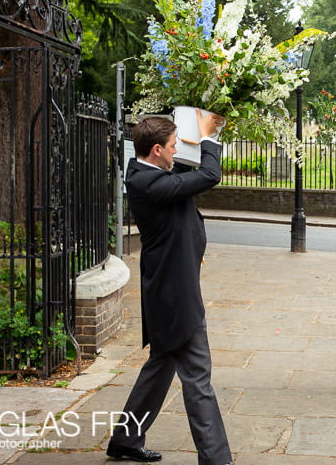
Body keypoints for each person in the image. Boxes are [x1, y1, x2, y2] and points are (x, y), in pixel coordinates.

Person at [106, 111, 231, 464]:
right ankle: (217, 459)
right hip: (175, 297)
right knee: (198, 379)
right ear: (158, 149)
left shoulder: (150, 171)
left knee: (160, 367)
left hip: (168, 290)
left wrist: (193, 128)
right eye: (174, 146)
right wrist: (208, 137)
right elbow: (209, 174)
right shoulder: (152, 184)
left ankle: (126, 440)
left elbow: (188, 172)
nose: (177, 151)